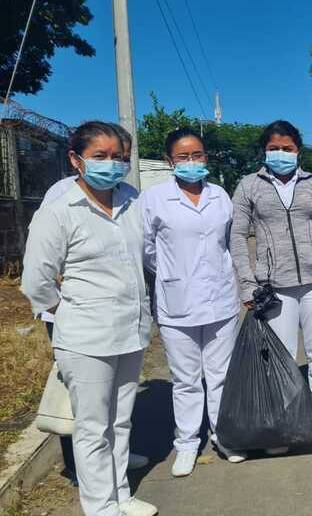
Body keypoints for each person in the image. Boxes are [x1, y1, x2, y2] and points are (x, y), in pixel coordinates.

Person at [21, 122, 156, 516]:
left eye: (119, 157)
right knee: (93, 426)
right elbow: (36, 278)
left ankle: (121, 494)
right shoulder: (60, 209)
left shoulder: (131, 199)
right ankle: (100, 507)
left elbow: (141, 259)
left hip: (130, 330)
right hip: (85, 337)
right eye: (100, 156)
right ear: (75, 159)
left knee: (120, 422)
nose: (111, 165)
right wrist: (66, 309)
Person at [230, 120, 312, 448]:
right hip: (274, 287)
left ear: (298, 151)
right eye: (274, 148)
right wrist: (246, 284)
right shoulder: (248, 185)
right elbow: (238, 237)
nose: (280, 154)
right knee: (280, 359)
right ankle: (284, 427)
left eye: (287, 149)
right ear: (264, 151)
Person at [141, 128, 245, 476]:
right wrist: (174, 274)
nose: (191, 162)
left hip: (221, 299)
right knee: (185, 379)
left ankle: (224, 435)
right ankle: (186, 443)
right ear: (170, 161)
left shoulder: (220, 196)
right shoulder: (154, 199)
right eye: (183, 157)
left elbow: (230, 242)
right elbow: (146, 250)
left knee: (220, 375)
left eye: (197, 155)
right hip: (176, 301)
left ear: (205, 158)